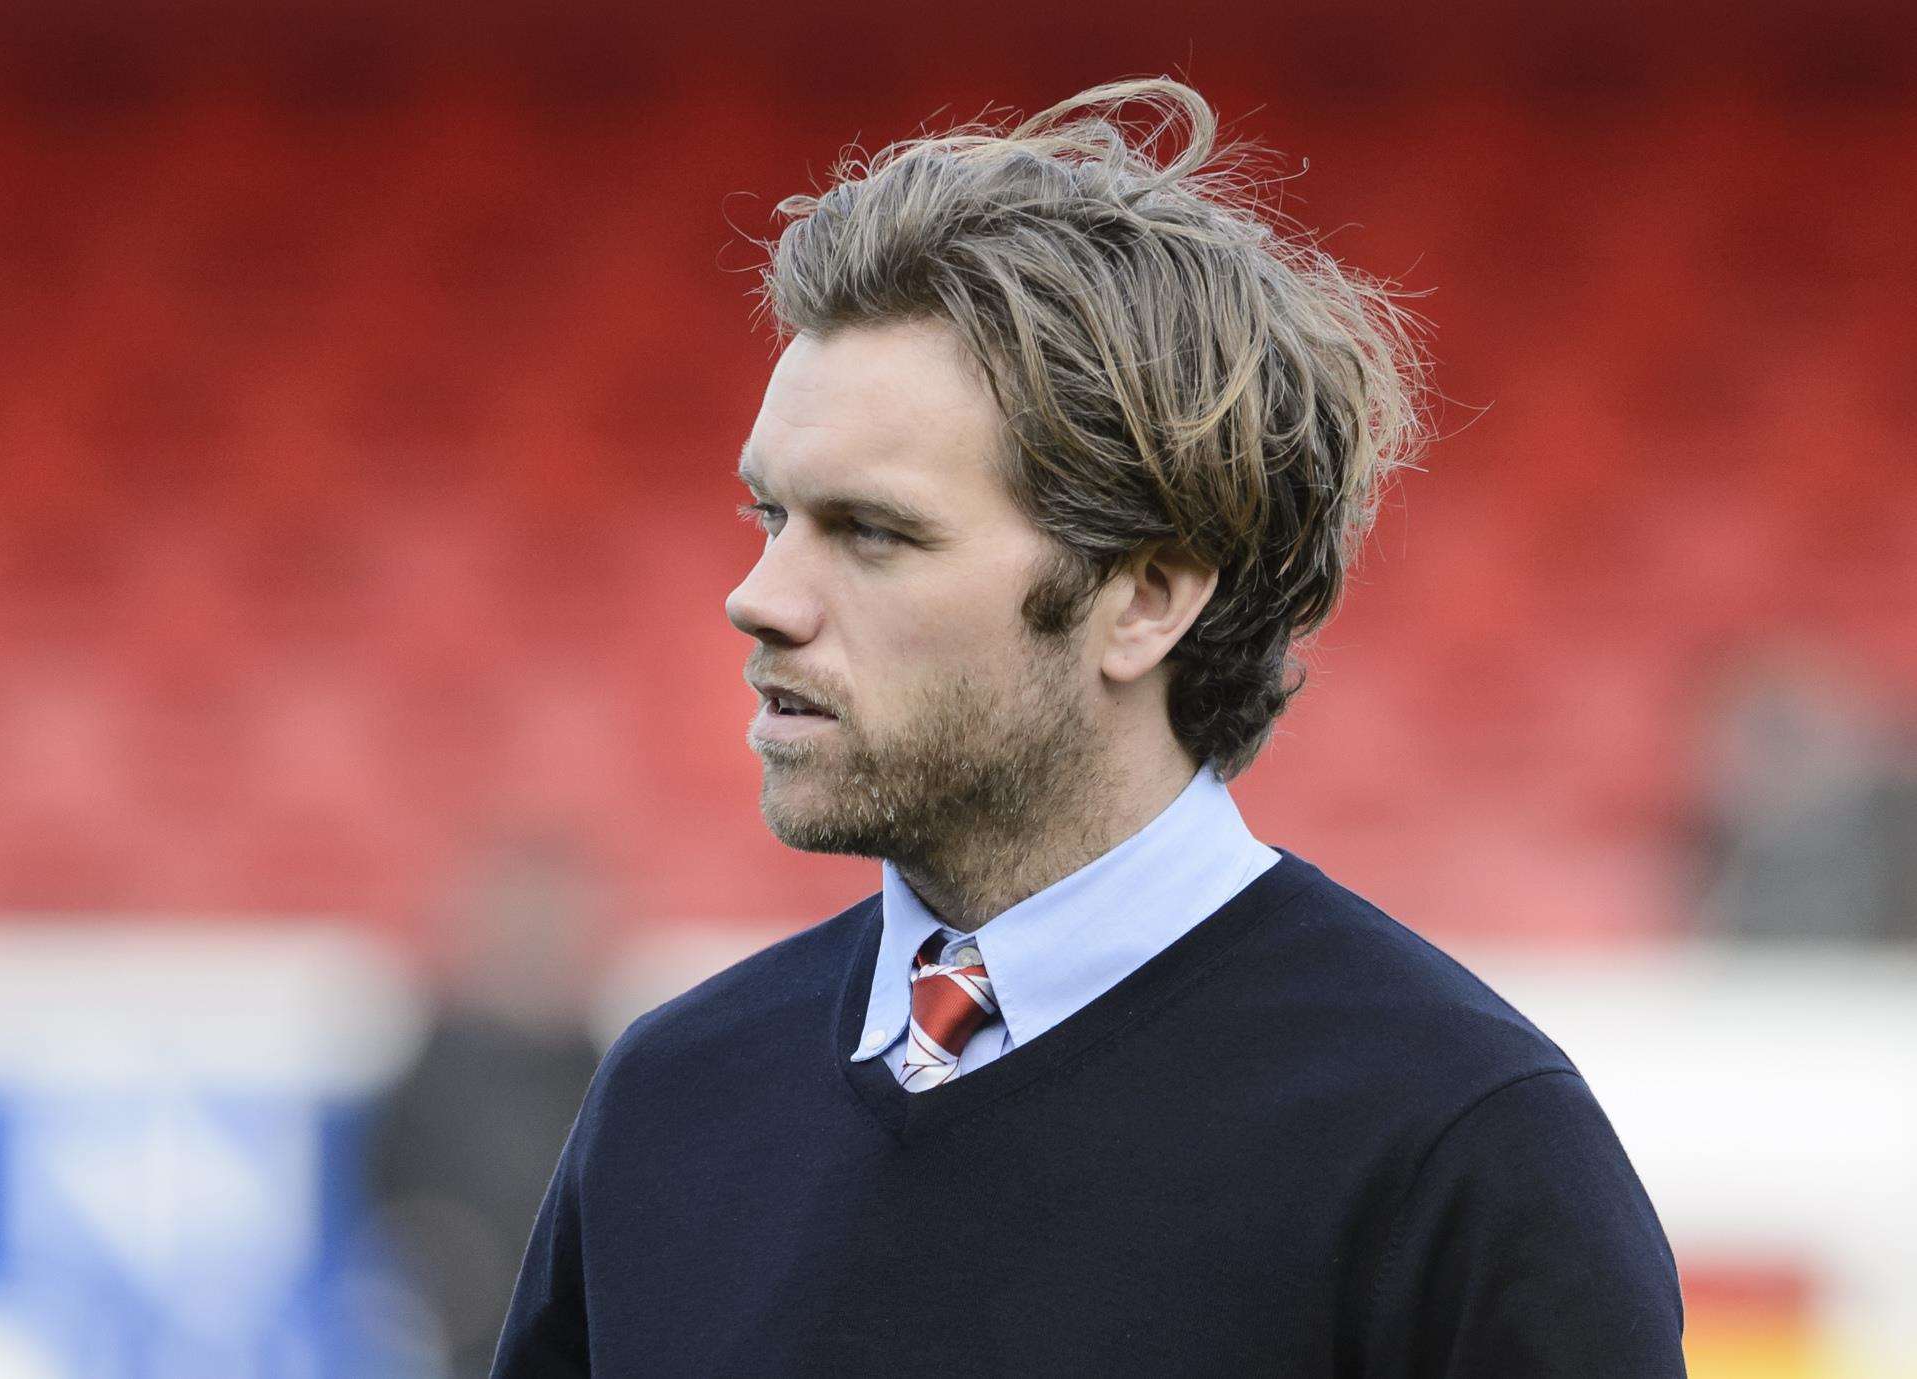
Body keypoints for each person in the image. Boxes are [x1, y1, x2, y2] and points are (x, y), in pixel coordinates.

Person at [492, 77, 1685, 1376]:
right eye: (769, 518)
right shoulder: (677, 1100)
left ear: (1146, 598)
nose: (760, 599)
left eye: (873, 534)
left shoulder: (1453, 1148)